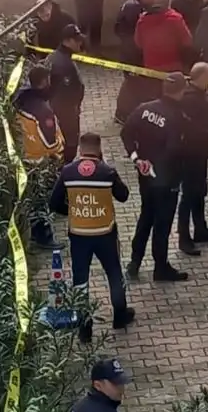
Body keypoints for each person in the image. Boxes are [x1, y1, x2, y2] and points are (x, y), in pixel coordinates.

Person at [50, 132, 135, 330]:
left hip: (79, 235)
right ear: (99, 149)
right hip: (105, 233)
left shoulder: (67, 172)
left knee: (80, 279)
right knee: (114, 274)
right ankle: (120, 316)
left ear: (80, 149)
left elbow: (54, 202)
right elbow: (123, 196)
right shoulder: (107, 172)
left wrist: (73, 211)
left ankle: (84, 326)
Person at [122, 73, 191, 282]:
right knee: (162, 223)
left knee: (146, 217)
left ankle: (135, 263)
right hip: (166, 179)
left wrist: (137, 159)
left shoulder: (144, 108)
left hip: (145, 175)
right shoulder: (176, 116)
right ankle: (161, 267)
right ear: (181, 90)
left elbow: (126, 133)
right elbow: (173, 150)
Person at [14, 64, 65, 249]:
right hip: (38, 161)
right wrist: (59, 148)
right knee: (39, 200)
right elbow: (50, 143)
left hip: (24, 156)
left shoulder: (20, 99)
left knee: (32, 198)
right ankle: (43, 237)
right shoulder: (42, 110)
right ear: (45, 81)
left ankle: (37, 231)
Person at [177, 62, 208, 255]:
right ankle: (184, 238)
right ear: (202, 77)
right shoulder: (189, 99)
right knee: (188, 195)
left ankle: (200, 229)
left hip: (200, 153)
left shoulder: (201, 94)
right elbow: (190, 129)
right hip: (190, 154)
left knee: (199, 191)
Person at [113, 0, 158, 124]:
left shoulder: (132, 3)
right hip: (132, 55)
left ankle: (125, 113)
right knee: (132, 85)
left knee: (133, 84)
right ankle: (123, 114)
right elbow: (137, 32)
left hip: (130, 52)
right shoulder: (135, 8)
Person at [48, 25, 87, 164]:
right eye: (77, 40)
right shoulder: (64, 64)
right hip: (66, 113)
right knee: (69, 146)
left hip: (62, 110)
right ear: (68, 41)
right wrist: (74, 107)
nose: (80, 43)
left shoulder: (58, 57)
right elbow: (67, 92)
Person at [135, 0, 193, 74]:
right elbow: (187, 41)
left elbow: (138, 43)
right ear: (169, 4)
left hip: (151, 67)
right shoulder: (175, 19)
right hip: (173, 67)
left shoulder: (142, 20)